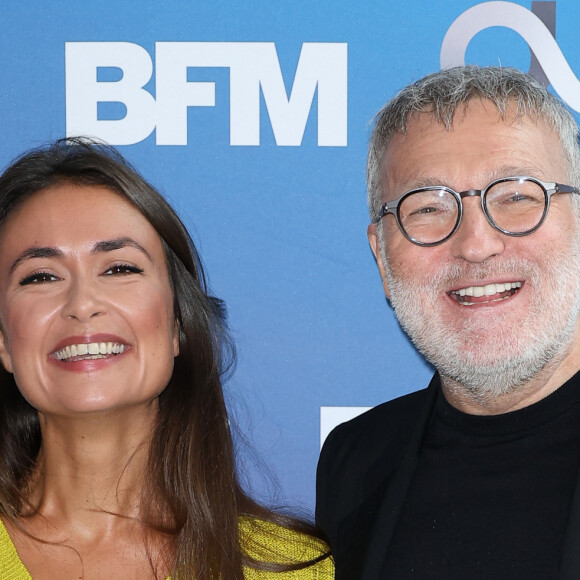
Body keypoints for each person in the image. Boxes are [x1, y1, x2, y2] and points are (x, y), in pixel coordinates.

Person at [0, 137, 333, 579]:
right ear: (4, 341)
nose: (82, 303)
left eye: (120, 268)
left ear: (178, 323)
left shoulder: (290, 569)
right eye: (40, 276)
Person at [316, 65, 580, 580]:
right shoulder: (355, 461)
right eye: (429, 208)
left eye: (518, 196)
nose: (477, 244)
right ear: (381, 258)